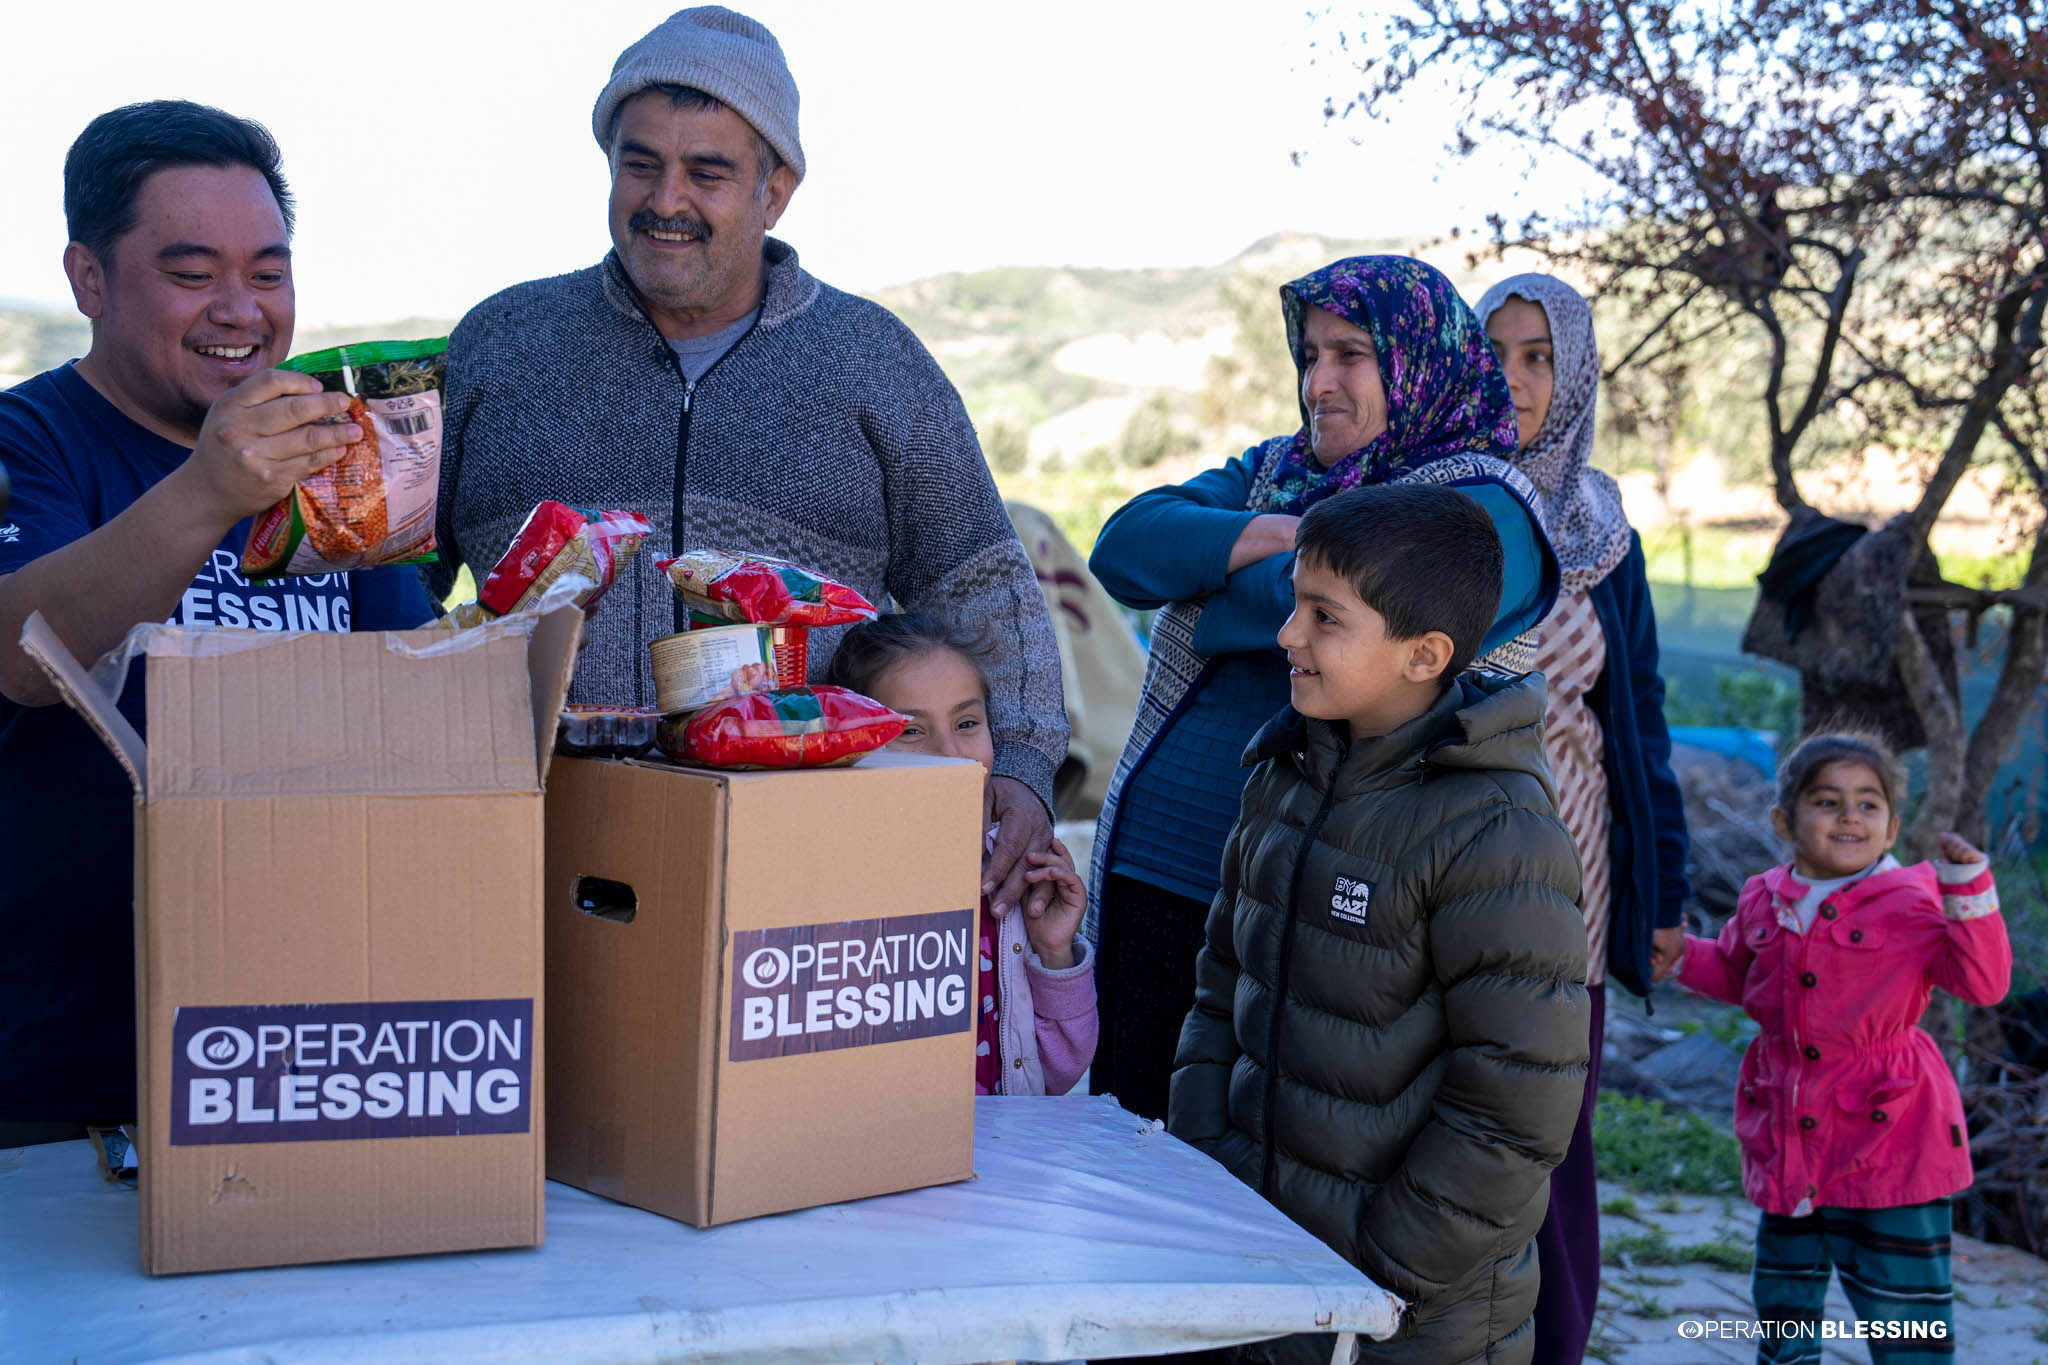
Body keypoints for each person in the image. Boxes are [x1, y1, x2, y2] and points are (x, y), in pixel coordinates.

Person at [432, 5, 1067, 922]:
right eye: (640, 163)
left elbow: (981, 575)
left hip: (811, 876)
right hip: (523, 860)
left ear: (777, 191)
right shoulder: (503, 345)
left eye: (709, 172)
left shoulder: (873, 360)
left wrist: (1025, 766)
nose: (665, 200)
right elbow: (392, 582)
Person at [0, 102, 436, 1143]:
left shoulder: (334, 449)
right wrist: (206, 493)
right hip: (60, 1071)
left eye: (269, 274)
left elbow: (421, 694)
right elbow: (22, 654)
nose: (239, 310)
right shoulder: (32, 438)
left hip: (303, 1043)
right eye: (192, 275)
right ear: (89, 280)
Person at [1086, 255, 1559, 1122]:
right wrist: (1276, 528)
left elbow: (1325, 606)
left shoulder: (1492, 511)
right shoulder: (1277, 473)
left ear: (1421, 362)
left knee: (1260, 1167)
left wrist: (1213, 585)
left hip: (1320, 897)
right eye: (1310, 355)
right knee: (1129, 1155)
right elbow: (1122, 549)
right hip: (1161, 858)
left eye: (1351, 354)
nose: (1318, 383)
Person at [1169, 483, 1589, 1365]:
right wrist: (1207, 1170)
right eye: (1295, 603)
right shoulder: (1281, 771)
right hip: (1260, 1271)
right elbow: (1219, 989)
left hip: (1408, 1318)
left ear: (1423, 654)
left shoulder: (1494, 828)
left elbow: (1517, 1105)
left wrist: (1378, 1271)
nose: (1287, 634)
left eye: (1325, 616)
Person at [1475, 271, 1693, 1363]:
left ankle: (1556, 1341)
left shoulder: (1603, 530)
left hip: (1569, 878)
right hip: (1448, 871)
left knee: (1552, 1139)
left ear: (1574, 376)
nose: (1512, 379)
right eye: (1496, 351)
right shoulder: (1438, 501)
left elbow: (1635, 718)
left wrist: (1662, 895)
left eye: (1536, 357)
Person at [1664, 733, 2011, 1363]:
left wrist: (1969, 889)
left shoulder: (1914, 900)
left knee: (1905, 1316)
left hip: (1892, 1140)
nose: (1850, 816)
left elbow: (1984, 983)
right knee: (1784, 1305)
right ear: (1784, 820)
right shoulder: (1763, 897)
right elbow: (1744, 980)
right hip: (1792, 1137)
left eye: (1868, 804)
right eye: (1827, 801)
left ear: (1892, 826)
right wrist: (1683, 957)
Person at [826, 613, 1097, 1095]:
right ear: (851, 744)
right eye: (911, 731)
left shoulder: (1014, 873)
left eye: (967, 722)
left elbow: (1056, 1073)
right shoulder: (838, 881)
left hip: (1002, 1159)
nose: (950, 752)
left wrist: (1054, 951)